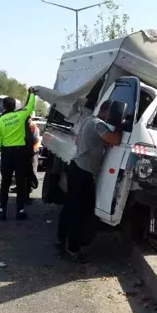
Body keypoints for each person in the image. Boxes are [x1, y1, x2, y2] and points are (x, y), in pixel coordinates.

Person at [57, 99, 122, 263]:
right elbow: (114, 140)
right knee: (81, 212)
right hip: (83, 173)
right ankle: (73, 249)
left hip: (76, 168)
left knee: (70, 207)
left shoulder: (89, 120)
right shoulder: (99, 124)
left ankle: (61, 240)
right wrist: (121, 124)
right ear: (107, 111)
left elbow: (78, 140)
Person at [0, 88, 37, 221]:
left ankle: (2, 211)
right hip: (20, 154)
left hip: (7, 154)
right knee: (20, 182)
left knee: (5, 183)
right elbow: (30, 106)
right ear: (15, 106)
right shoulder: (21, 115)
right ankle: (20, 211)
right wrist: (32, 93)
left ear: (4, 107)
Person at [10, 118, 40, 203]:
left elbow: (36, 140)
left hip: (31, 153)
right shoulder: (20, 126)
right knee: (24, 174)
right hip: (27, 153)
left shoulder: (33, 126)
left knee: (29, 174)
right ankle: (24, 195)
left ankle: (26, 193)